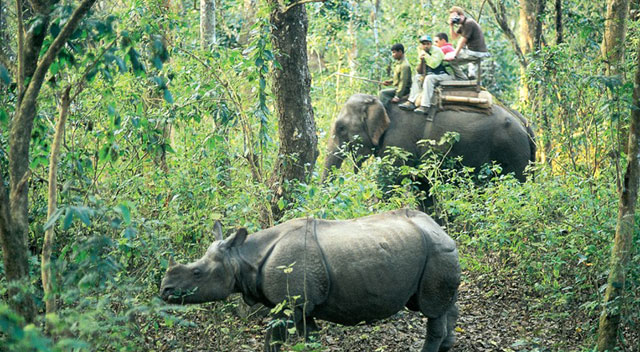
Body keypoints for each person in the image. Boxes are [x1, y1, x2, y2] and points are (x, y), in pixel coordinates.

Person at [398, 35, 451, 117]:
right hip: (433, 75)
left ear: (431, 44)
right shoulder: (422, 52)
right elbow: (419, 70)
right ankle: (411, 101)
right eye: (423, 44)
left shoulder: (437, 51)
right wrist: (422, 61)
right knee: (417, 77)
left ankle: (425, 106)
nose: (426, 46)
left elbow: (434, 65)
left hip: (443, 75)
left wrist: (425, 55)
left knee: (429, 78)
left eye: (428, 43)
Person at [445, 6, 490, 80]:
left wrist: (454, 55)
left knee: (451, 60)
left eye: (456, 17)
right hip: (472, 51)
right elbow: (454, 37)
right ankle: (466, 75)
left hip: (476, 52)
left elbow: (462, 41)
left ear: (461, 15)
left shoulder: (469, 23)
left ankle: (463, 79)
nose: (455, 19)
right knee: (450, 56)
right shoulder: (463, 24)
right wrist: (451, 26)